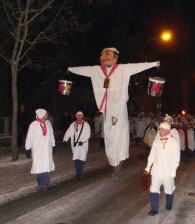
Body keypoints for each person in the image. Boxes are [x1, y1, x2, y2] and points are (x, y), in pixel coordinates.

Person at [68, 47, 159, 179]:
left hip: (119, 108)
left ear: (115, 58)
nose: (105, 60)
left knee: (119, 138)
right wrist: (70, 69)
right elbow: (84, 69)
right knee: (110, 140)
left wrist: (154, 64)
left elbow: (138, 66)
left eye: (108, 57)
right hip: (106, 110)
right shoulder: (97, 71)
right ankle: (114, 163)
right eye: (103, 58)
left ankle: (118, 165)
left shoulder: (123, 69)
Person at [144, 122, 180, 216]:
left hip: (168, 171)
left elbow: (176, 158)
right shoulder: (156, 142)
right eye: (159, 129)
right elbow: (151, 156)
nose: (159, 130)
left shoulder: (173, 142)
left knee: (169, 190)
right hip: (156, 170)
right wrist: (148, 168)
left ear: (167, 130)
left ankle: (169, 204)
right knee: (153, 189)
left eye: (161, 129)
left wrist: (173, 171)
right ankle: (154, 209)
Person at [25, 109, 55, 191]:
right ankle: (40, 183)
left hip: (47, 149)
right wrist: (27, 149)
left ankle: (46, 183)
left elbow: (51, 135)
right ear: (41, 114)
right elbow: (29, 138)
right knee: (39, 167)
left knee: (46, 165)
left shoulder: (48, 123)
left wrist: (53, 144)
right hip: (37, 149)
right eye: (46, 114)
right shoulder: (33, 125)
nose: (47, 115)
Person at [63, 111, 91, 180]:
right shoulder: (73, 124)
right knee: (76, 159)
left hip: (83, 145)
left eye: (80, 115)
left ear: (82, 116)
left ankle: (80, 173)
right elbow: (68, 131)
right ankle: (78, 173)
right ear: (76, 116)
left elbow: (88, 134)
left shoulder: (86, 125)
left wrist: (82, 141)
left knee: (81, 159)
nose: (79, 116)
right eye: (78, 115)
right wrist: (65, 138)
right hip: (75, 145)